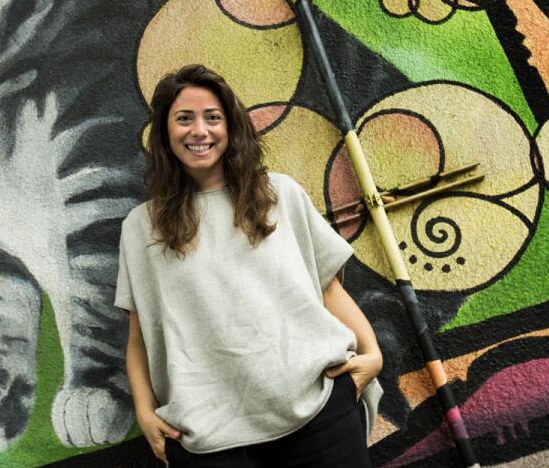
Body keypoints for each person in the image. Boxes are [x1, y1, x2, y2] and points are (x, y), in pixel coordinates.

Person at [114, 64, 383, 467]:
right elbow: (140, 334)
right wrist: (144, 410)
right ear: (165, 133)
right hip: (210, 438)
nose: (199, 131)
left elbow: (328, 290)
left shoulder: (281, 195)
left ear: (231, 127)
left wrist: (373, 354)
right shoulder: (141, 227)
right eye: (183, 118)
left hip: (318, 413)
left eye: (213, 117)